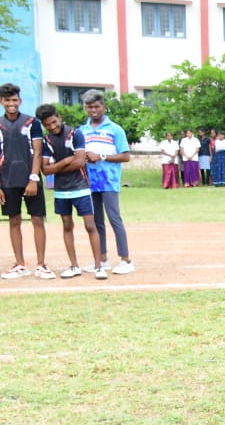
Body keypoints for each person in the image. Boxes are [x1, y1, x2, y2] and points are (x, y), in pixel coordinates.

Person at [35, 104, 105, 280]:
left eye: (53, 122)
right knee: (67, 226)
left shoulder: (75, 134)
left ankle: (99, 267)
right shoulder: (46, 141)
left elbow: (80, 162)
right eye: (47, 125)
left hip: (80, 187)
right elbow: (46, 170)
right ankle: (74, 266)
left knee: (90, 226)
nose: (52, 127)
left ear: (59, 117)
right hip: (61, 191)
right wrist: (66, 161)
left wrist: (57, 167)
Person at [0, 83, 53, 280]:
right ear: (1, 102)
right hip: (7, 180)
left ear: (20, 101)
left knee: (37, 219)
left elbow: (38, 151)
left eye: (15, 100)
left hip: (29, 179)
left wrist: (33, 178)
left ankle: (41, 265)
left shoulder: (32, 122)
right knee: (14, 221)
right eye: (7, 100)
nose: (11, 104)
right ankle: (20, 264)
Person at [79, 90, 134, 275]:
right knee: (96, 221)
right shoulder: (82, 130)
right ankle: (102, 259)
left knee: (114, 218)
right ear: (85, 108)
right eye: (89, 107)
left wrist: (101, 156)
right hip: (89, 182)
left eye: (96, 106)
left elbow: (126, 156)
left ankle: (126, 259)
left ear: (103, 106)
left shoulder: (115, 129)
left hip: (109, 181)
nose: (93, 110)